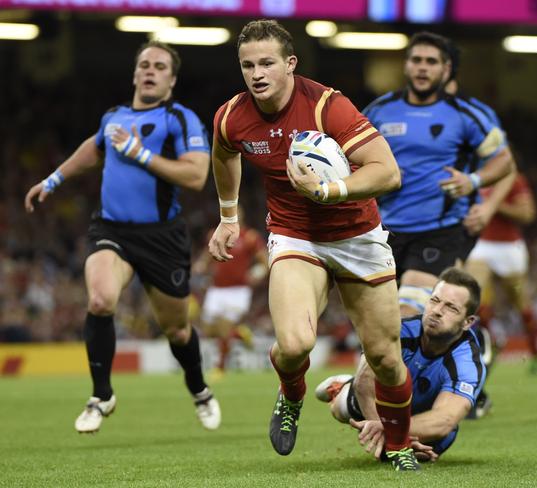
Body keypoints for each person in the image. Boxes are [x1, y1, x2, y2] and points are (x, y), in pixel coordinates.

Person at [209, 20, 419, 471]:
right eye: (247, 65)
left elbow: (387, 171)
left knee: (384, 357)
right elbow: (224, 152)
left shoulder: (329, 107)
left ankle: (399, 447)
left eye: (266, 63)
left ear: (290, 64)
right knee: (294, 343)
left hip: (357, 236)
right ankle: (291, 394)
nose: (256, 73)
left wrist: (331, 190)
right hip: (294, 234)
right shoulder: (231, 116)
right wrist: (228, 216)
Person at [24, 41, 220, 433]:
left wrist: (140, 153)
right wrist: (54, 179)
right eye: (144, 64)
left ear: (172, 79)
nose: (150, 70)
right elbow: (94, 148)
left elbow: (197, 176)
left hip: (162, 238)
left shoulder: (180, 119)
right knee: (100, 299)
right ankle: (101, 395)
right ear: (134, 74)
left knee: (178, 330)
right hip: (112, 229)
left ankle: (199, 389)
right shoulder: (114, 117)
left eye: (159, 66)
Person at [363, 31, 515, 318]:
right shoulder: (379, 111)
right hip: (385, 230)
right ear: (405, 65)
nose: (422, 67)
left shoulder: (468, 113)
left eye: (431, 61)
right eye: (416, 60)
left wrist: (473, 182)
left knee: (409, 309)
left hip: (442, 229)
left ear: (445, 70)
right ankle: (469, 346)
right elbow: (351, 155)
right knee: (381, 319)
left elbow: (504, 161)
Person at [316, 267, 485, 462]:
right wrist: (389, 434)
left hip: (422, 420)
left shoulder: (467, 362)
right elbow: (364, 383)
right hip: (383, 406)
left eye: (451, 307)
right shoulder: (399, 330)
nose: (437, 311)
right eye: (435, 300)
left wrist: (395, 433)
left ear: (468, 322)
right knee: (341, 407)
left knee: (428, 450)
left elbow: (444, 420)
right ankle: (341, 388)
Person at [464, 172, 537, 413]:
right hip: (482, 245)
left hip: (509, 248)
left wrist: (494, 205)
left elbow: (527, 214)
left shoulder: (514, 179)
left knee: (522, 305)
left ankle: (535, 352)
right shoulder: (475, 176)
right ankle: (486, 341)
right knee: (472, 301)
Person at [193, 208, 268, 371]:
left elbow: (264, 261)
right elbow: (208, 255)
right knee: (209, 330)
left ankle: (220, 367)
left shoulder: (249, 236)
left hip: (238, 290)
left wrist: (257, 273)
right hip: (216, 289)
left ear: (241, 215)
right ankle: (241, 333)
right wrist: (201, 265)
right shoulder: (215, 234)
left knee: (224, 329)